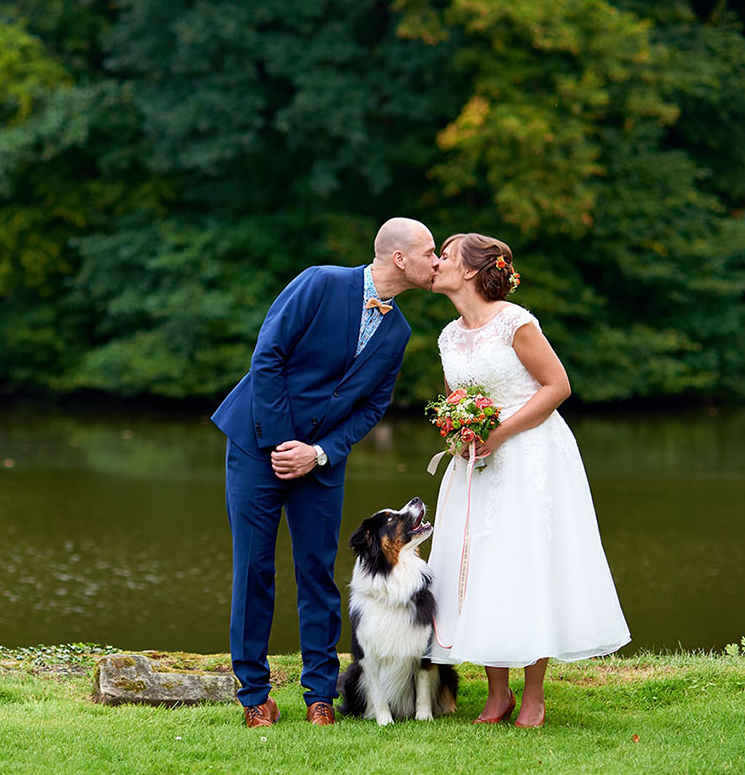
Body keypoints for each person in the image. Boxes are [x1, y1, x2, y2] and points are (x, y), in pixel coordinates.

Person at [212, 217, 439, 728]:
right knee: (254, 570)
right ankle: (254, 697)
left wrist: (317, 452)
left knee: (317, 573)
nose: (437, 261)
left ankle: (320, 695)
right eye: (430, 252)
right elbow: (267, 356)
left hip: (321, 461)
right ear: (400, 258)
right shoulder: (320, 282)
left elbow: (372, 407)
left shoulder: (398, 330)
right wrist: (280, 444)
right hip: (256, 444)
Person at [425, 233, 630, 728]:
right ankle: (498, 696)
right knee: (483, 567)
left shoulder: (517, 323)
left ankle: (534, 695)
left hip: (532, 455)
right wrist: (462, 430)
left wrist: (498, 432)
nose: (435, 263)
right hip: (476, 461)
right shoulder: (447, 336)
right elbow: (457, 399)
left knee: (528, 563)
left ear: (472, 271)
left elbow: (557, 385)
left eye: (446, 256)